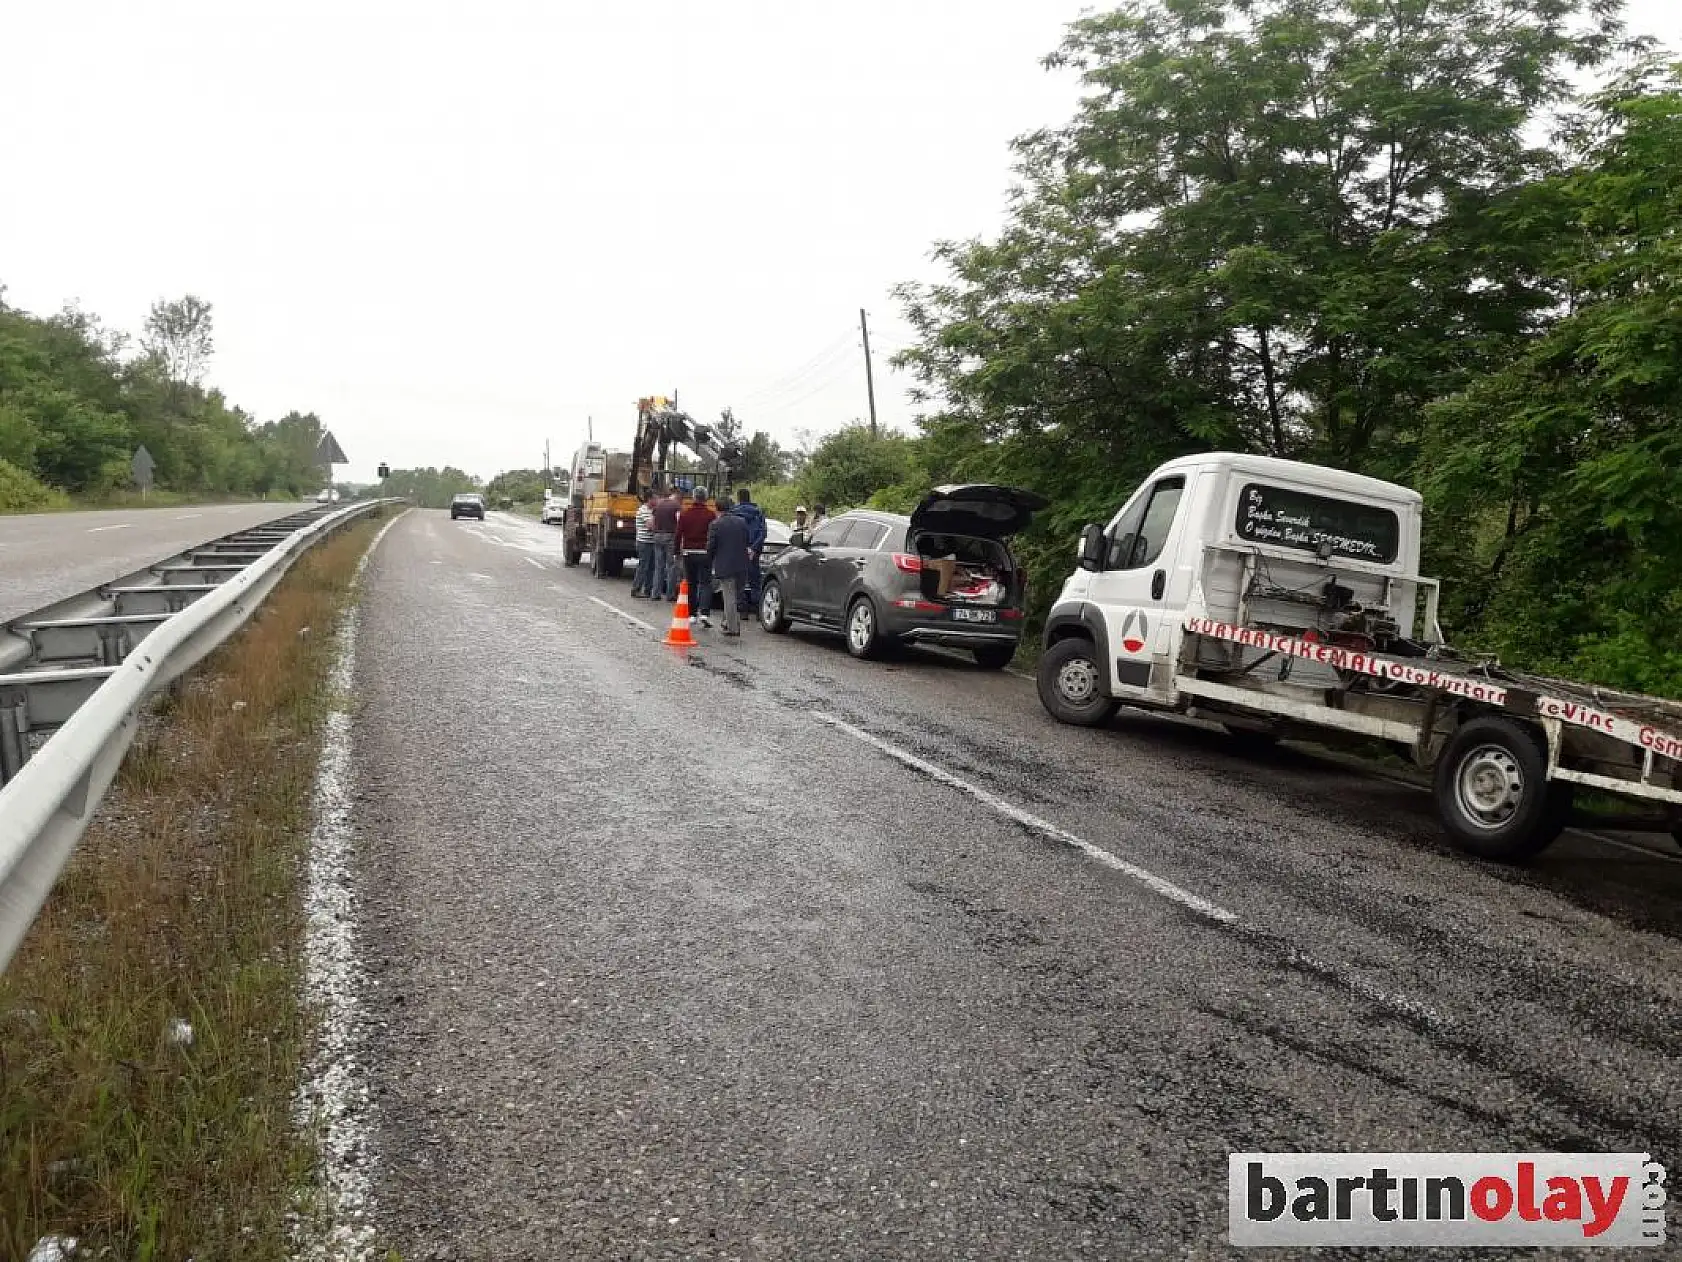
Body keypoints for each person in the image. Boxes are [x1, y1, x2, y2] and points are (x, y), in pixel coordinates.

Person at [708, 498, 751, 636]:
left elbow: (711, 547)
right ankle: (727, 622)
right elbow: (747, 540)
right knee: (736, 595)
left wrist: (709, 560)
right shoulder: (742, 522)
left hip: (725, 566)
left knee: (729, 597)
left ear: (717, 509)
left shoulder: (716, 524)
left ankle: (733, 628)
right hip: (742, 564)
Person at [676, 486, 717, 626]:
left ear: (693, 497)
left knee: (691, 583)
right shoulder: (711, 515)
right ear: (705, 498)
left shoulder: (685, 514)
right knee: (706, 583)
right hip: (705, 552)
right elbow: (713, 536)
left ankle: (692, 614)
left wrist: (676, 551)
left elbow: (678, 534)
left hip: (688, 552)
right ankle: (704, 613)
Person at [729, 487, 768, 614]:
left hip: (738, 551)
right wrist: (753, 549)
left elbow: (732, 533)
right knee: (755, 581)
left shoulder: (733, 512)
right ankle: (757, 609)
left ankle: (742, 609)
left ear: (739, 498)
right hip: (754, 552)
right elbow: (763, 533)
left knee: (738, 582)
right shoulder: (758, 513)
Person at [649, 483, 682, 600]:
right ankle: (670, 594)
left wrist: (655, 531)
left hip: (657, 536)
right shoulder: (676, 506)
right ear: (675, 495)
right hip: (670, 537)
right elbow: (679, 522)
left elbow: (652, 523)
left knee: (658, 566)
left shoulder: (658, 505)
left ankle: (655, 593)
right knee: (671, 566)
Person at [629, 489, 657, 598]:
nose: (657, 500)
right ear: (649, 499)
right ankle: (636, 589)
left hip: (651, 542)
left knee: (651, 567)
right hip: (644, 542)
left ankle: (648, 590)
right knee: (643, 566)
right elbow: (650, 526)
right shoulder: (644, 510)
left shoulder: (652, 510)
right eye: (655, 498)